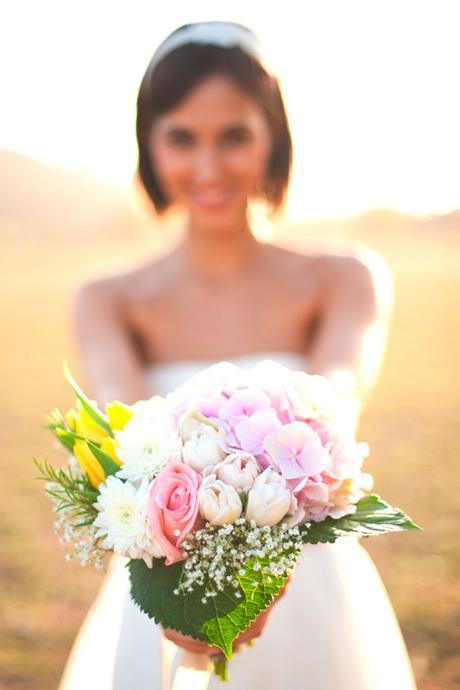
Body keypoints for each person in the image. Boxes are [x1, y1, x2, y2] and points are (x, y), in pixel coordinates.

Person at [59, 21, 416, 690]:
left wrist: (259, 557)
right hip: (164, 587)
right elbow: (125, 428)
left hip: (311, 587)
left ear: (273, 139)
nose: (208, 168)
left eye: (234, 136)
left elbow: (337, 398)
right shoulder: (108, 299)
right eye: (181, 139)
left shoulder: (343, 279)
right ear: (148, 145)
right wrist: (192, 584)